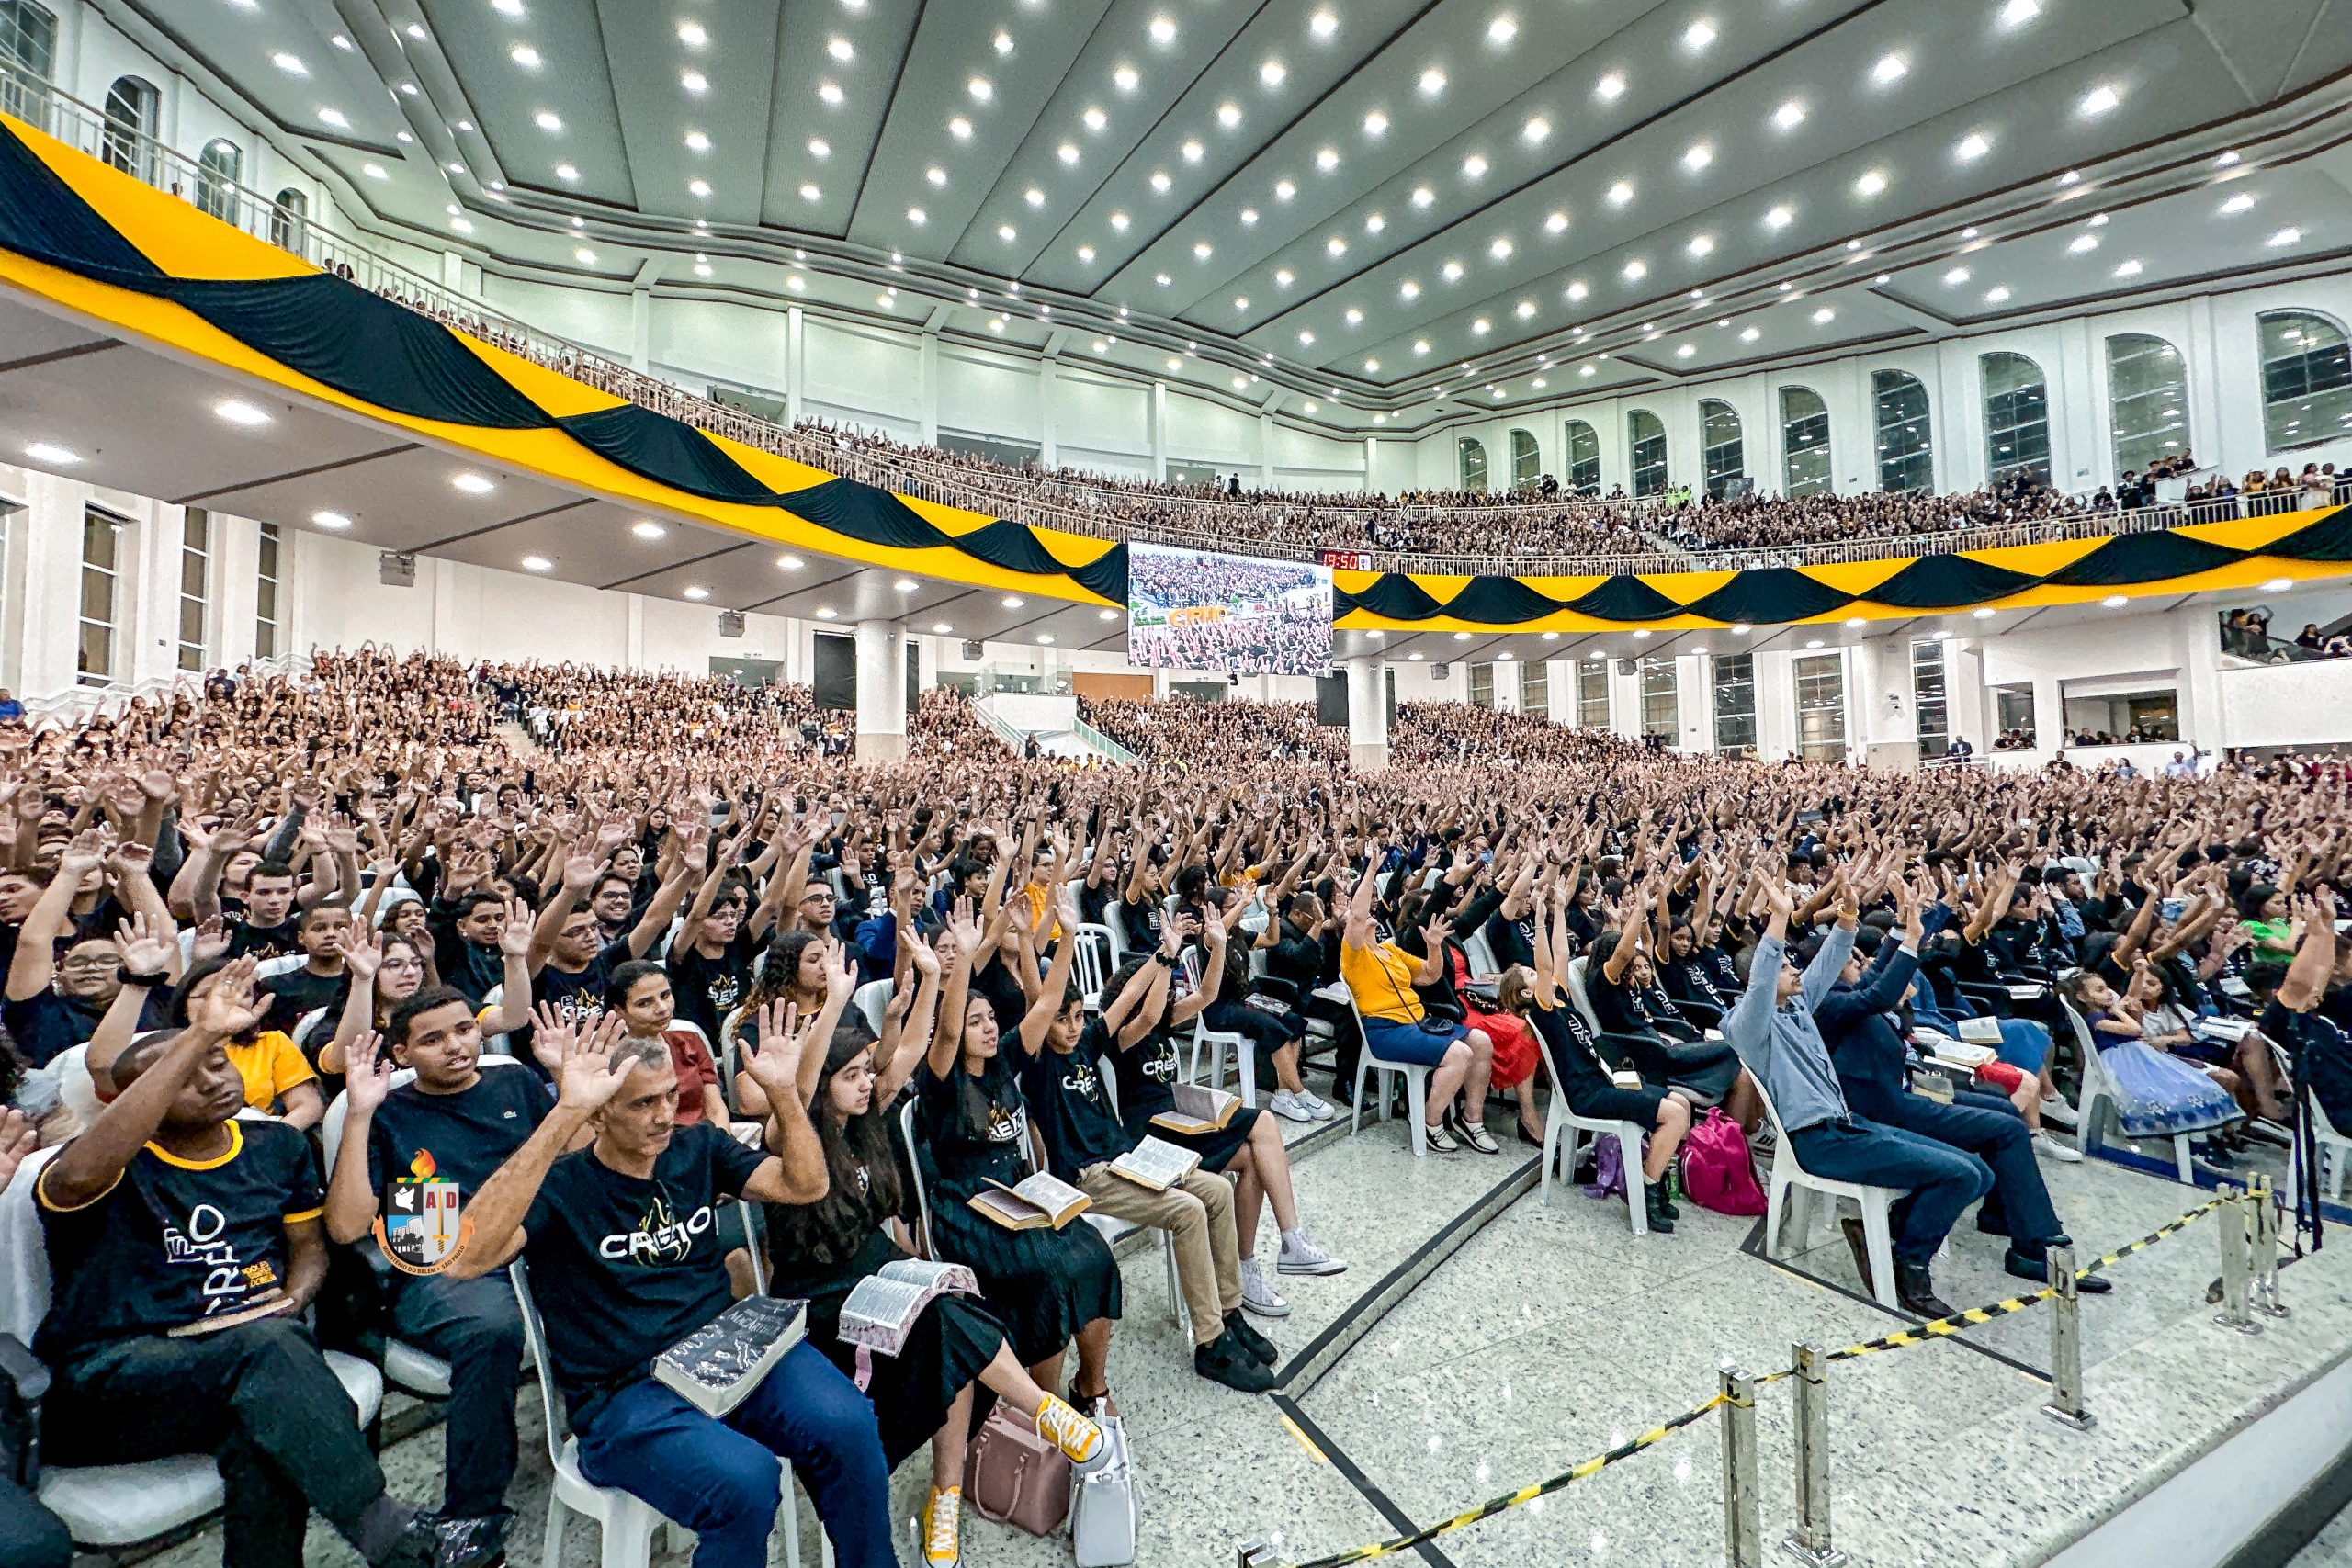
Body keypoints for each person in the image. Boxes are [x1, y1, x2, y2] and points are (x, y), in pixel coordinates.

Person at [30, 964, 503, 1568]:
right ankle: (391, 1534)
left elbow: (308, 1244)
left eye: (219, 1061)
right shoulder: (102, 1166)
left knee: (266, 1432)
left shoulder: (274, 1144)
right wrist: (198, 1034)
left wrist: (295, 1296)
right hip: (114, 1379)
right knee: (269, 1352)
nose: (214, 1079)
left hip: (252, 1360)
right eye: (186, 1073)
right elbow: (73, 1176)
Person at [446, 1010, 905, 1568]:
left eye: (669, 1095)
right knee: (746, 1483)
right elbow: (464, 1258)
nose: (664, 1115)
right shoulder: (561, 1188)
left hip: (724, 1352)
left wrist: (784, 1092)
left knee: (850, 1424)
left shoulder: (697, 1149)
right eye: (643, 1103)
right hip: (625, 1393)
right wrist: (562, 1113)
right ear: (599, 1114)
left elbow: (805, 1185)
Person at [754, 948, 1107, 1568]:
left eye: (868, 1070)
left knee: (955, 1313)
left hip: (881, 1275)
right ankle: (1042, 1412)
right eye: (852, 1074)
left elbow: (914, 1046)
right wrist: (835, 999)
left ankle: (948, 1490)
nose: (868, 1082)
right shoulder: (792, 1139)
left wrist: (941, 973)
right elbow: (802, 1089)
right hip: (824, 1299)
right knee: (949, 1319)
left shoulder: (870, 1120)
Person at [1012, 885, 1277, 1392]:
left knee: (1217, 1191)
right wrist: (1037, 940)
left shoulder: (1087, 1043)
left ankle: (1229, 1309)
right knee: (1188, 1209)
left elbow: (1132, 1001)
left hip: (1123, 1159)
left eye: (1076, 1018)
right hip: (1085, 1173)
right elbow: (1038, 998)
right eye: (1060, 1020)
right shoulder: (1040, 1060)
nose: (1070, 1028)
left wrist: (1164, 955)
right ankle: (1209, 1341)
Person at [323, 987, 552, 1528]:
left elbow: (573, 1157)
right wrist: (358, 1115)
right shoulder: (388, 1113)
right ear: (400, 1054)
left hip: (534, 1238)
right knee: (490, 1330)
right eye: (432, 1039)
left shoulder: (513, 1080)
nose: (455, 1046)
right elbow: (347, 1226)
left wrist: (567, 1085)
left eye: (464, 1030)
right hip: (439, 1251)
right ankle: (473, 1515)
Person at [1817, 886, 2109, 1293]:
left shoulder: (1849, 993)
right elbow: (1882, 988)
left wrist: (1912, 921)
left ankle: (2005, 1211)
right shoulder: (1831, 1005)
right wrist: (1913, 941)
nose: (1860, 963)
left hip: (1908, 1092)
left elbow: (1882, 964)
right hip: (1885, 1109)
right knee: (2005, 1128)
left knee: (2005, 1111)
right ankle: (2036, 1247)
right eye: (1850, 960)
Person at [1722, 875, 1991, 1316]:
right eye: (1787, 966)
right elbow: (1762, 983)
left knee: (1978, 1170)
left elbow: (1829, 964)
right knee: (1958, 1176)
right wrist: (1778, 917)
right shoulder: (1747, 1024)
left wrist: (1848, 918)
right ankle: (1909, 1265)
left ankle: (1885, 1235)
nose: (1795, 971)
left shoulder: (1797, 1006)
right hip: (1818, 1141)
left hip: (1846, 1126)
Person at [912, 897, 1125, 1411]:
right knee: (1048, 1273)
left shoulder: (1005, 1058)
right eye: (976, 1021)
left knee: (1095, 1254)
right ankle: (1043, 1406)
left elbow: (1048, 1004)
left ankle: (1091, 1388)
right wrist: (963, 959)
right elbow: (943, 1031)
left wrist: (1067, 936)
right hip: (966, 1204)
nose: (987, 1028)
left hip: (1020, 1191)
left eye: (990, 1018)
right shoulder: (941, 1078)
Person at [1099, 908, 1345, 1317]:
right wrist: (1164, 959)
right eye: (1160, 991)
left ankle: (1250, 1265)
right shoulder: (1126, 1034)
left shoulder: (1162, 1021)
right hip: (1151, 1136)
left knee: (1253, 1160)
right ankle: (1292, 1241)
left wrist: (1214, 948)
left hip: (1180, 1121)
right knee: (1263, 1121)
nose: (1172, 995)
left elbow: (1207, 995)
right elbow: (1144, 1013)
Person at [1529, 885, 1692, 1232]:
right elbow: (1544, 964)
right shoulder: (1542, 1010)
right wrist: (1539, 922)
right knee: (1674, 1116)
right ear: (1526, 992)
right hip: (1587, 1093)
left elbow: (1559, 955)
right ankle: (1643, 1191)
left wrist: (1558, 908)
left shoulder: (1560, 1001)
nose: (1537, 975)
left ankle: (1654, 1182)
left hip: (1605, 1079)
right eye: (1527, 976)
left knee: (1681, 1102)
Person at [1340, 841, 1498, 1153]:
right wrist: (1371, 869)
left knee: (1481, 1042)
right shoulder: (1354, 955)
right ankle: (1429, 1122)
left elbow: (1429, 974)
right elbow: (1357, 917)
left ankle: (1471, 1119)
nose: (1369, 913)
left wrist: (1435, 946)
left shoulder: (1390, 950)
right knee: (1459, 1054)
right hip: (1385, 1029)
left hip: (1418, 1021)